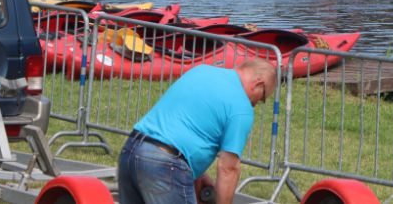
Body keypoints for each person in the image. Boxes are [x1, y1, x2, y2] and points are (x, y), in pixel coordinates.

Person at [119, 60, 277, 204]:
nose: (256, 103)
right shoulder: (242, 107)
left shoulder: (201, 71)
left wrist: (196, 173)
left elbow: (184, 123)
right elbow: (228, 169)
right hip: (164, 165)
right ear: (258, 83)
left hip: (131, 150)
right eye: (262, 97)